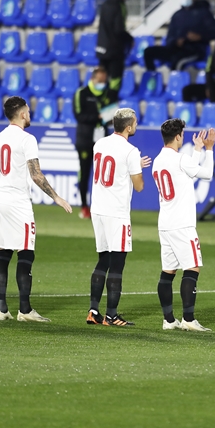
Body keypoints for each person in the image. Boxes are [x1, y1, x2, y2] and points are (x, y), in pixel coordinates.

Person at [0, 97, 72, 323]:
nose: (29, 113)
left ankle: (1, 309)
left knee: (3, 254)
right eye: (27, 111)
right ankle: (25, 311)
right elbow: (36, 174)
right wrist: (55, 196)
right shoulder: (27, 139)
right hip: (17, 202)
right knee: (26, 252)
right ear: (22, 114)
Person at [86, 108, 151, 327]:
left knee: (103, 259)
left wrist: (133, 166)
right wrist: (137, 169)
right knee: (117, 264)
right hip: (117, 213)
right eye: (135, 123)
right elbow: (139, 186)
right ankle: (111, 315)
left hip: (98, 209)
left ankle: (93, 311)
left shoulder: (100, 144)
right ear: (129, 126)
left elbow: (111, 169)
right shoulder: (131, 151)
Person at [151, 119, 215, 332]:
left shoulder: (158, 161)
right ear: (178, 136)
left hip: (166, 223)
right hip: (183, 224)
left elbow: (186, 172)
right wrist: (209, 149)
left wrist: (197, 150)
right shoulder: (179, 160)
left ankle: (168, 320)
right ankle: (188, 318)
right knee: (192, 268)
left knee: (168, 271)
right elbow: (206, 174)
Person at [144, 0, 215, 71]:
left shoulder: (203, 13)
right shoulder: (177, 15)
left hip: (194, 50)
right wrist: (176, 42)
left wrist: (200, 36)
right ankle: (152, 78)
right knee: (148, 52)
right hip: (175, 48)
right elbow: (170, 35)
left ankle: (175, 83)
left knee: (177, 60)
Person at [74, 67, 114, 219]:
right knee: (85, 173)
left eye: (104, 80)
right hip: (85, 139)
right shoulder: (82, 93)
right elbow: (79, 116)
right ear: (93, 78)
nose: (102, 82)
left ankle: (102, 208)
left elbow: (112, 115)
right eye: (100, 80)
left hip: (103, 140)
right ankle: (84, 206)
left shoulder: (109, 94)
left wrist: (106, 117)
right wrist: (98, 117)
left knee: (104, 174)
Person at [96, 0, 134, 103]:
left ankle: (98, 113)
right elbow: (119, 29)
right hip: (114, 50)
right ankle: (109, 114)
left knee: (101, 81)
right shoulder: (119, 5)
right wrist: (129, 39)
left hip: (102, 47)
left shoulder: (106, 3)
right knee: (115, 82)